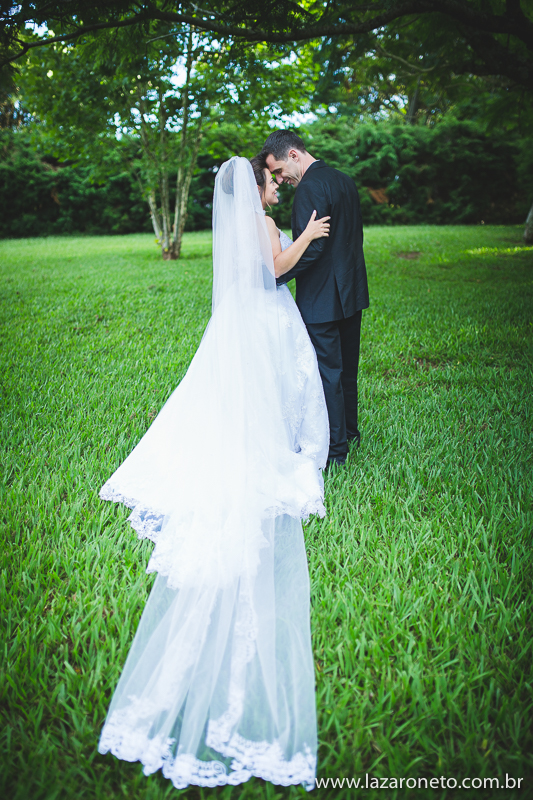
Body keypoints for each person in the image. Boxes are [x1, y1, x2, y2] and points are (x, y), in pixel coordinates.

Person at [97, 157, 330, 791]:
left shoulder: (244, 217)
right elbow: (274, 269)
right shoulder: (257, 219)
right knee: (265, 394)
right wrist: (306, 237)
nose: (276, 188)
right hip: (261, 318)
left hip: (240, 318)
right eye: (272, 181)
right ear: (255, 188)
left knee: (244, 395)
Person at [262, 130, 370, 466]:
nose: (280, 179)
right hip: (351, 292)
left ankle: (336, 452)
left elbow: (314, 247)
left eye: (279, 170)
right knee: (346, 371)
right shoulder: (343, 180)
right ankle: (349, 432)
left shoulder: (309, 187)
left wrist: (277, 276)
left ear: (294, 155)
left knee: (329, 375)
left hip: (322, 297)